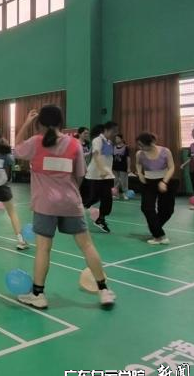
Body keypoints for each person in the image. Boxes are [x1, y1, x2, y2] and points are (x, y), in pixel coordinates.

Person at [15, 106, 116, 309]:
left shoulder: (35, 142)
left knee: (43, 248)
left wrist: (26, 123)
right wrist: (69, 192)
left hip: (45, 204)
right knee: (87, 246)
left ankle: (38, 295)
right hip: (71, 202)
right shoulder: (74, 144)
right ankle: (104, 290)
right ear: (61, 123)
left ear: (39, 123)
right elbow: (80, 175)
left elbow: (16, 149)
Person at [135, 132, 177, 245]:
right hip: (148, 183)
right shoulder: (139, 154)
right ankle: (159, 236)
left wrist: (164, 182)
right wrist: (140, 174)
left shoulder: (165, 151)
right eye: (139, 145)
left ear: (151, 143)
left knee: (167, 211)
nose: (140, 148)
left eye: (142, 145)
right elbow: (138, 164)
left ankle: (155, 228)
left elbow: (171, 167)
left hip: (165, 181)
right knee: (147, 208)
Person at [83, 121, 119, 233]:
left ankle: (101, 219)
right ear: (106, 130)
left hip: (107, 176)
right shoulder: (97, 140)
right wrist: (102, 169)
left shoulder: (109, 142)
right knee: (92, 198)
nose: (115, 133)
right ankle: (76, 211)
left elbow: (108, 158)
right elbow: (96, 155)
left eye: (116, 131)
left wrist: (108, 171)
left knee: (107, 199)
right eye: (114, 131)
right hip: (95, 176)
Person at [112, 134, 131, 200]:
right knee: (115, 181)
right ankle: (115, 194)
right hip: (115, 167)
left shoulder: (126, 147)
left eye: (118, 138)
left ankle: (125, 194)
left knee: (124, 181)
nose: (116, 140)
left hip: (123, 167)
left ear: (121, 139)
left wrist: (128, 167)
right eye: (115, 138)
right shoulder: (113, 147)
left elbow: (128, 158)